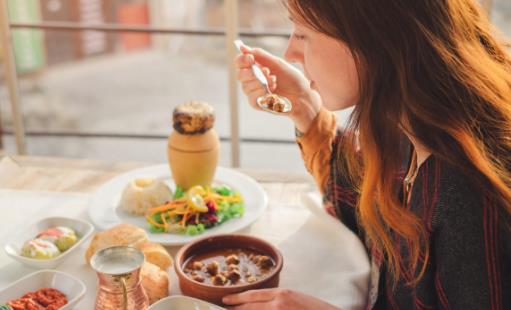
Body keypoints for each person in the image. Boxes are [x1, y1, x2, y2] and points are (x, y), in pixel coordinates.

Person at [224, 0, 511, 309]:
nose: (290, 53)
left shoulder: (469, 196)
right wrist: (305, 108)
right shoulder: (407, 123)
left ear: (372, 38)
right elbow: (365, 208)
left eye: (303, 33)